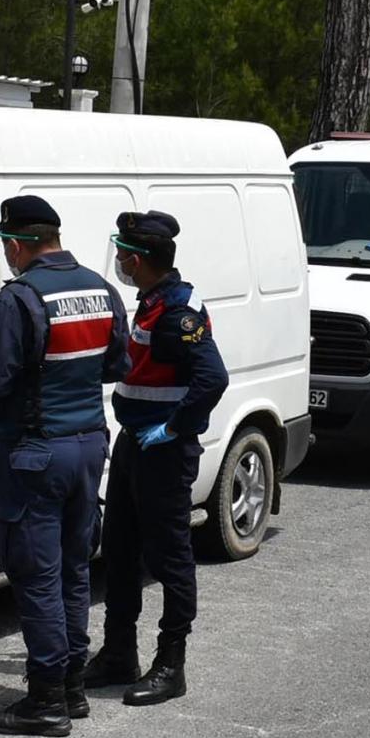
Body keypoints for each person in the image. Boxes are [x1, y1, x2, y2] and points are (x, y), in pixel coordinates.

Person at [0, 195, 129, 737]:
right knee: (75, 571)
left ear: (16, 244)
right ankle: (72, 687)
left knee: (36, 577)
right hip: (88, 447)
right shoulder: (100, 290)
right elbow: (116, 365)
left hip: (35, 454)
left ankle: (46, 700)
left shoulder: (20, 298)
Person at [88, 210, 230, 707]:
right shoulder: (151, 302)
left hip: (164, 452)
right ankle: (118, 654)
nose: (120, 262)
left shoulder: (177, 312)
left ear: (140, 259)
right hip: (135, 443)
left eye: (124, 254)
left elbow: (213, 378)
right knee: (120, 548)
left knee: (169, 557)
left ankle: (171, 664)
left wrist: (173, 427)